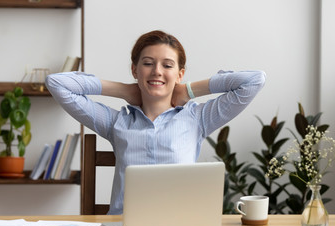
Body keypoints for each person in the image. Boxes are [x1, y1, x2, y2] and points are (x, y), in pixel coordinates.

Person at [45, 30, 266, 215]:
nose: (157, 71)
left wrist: (189, 90)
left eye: (167, 66)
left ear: (180, 74)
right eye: (148, 63)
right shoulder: (116, 122)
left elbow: (254, 81)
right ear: (135, 70)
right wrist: (124, 90)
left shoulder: (198, 119)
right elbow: (56, 83)